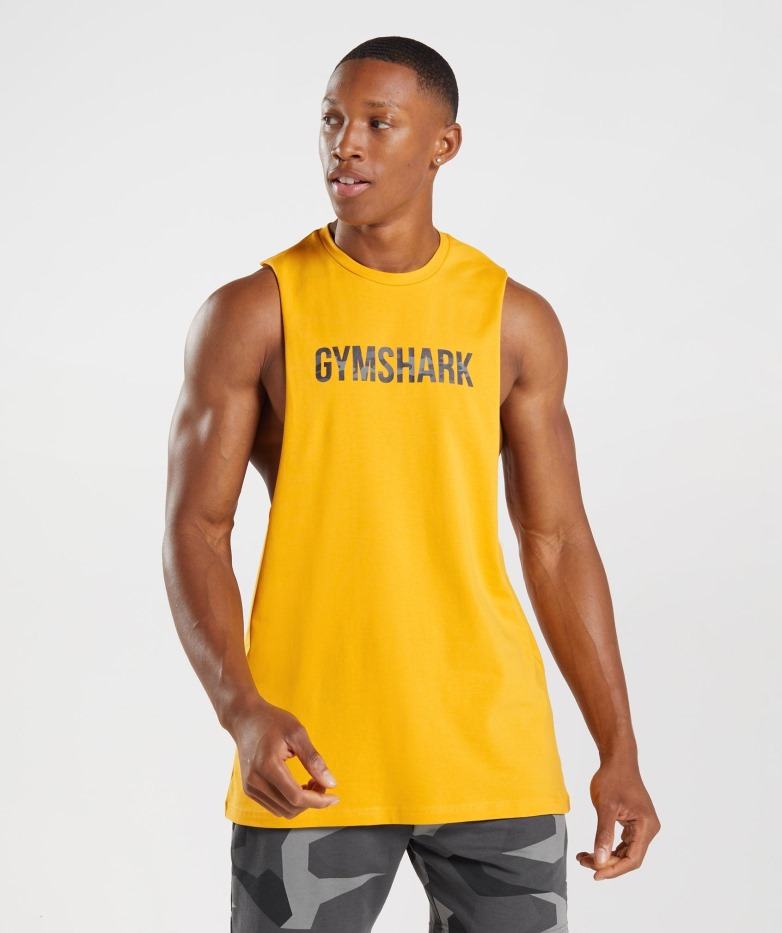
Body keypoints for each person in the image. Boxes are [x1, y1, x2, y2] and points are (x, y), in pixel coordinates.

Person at [162, 35, 660, 933]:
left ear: (443, 144)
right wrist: (241, 710)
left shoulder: (512, 319)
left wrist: (617, 747)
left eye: (378, 123)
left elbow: (556, 542)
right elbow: (196, 530)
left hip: (492, 756)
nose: (345, 144)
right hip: (309, 758)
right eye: (331, 120)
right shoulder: (256, 311)